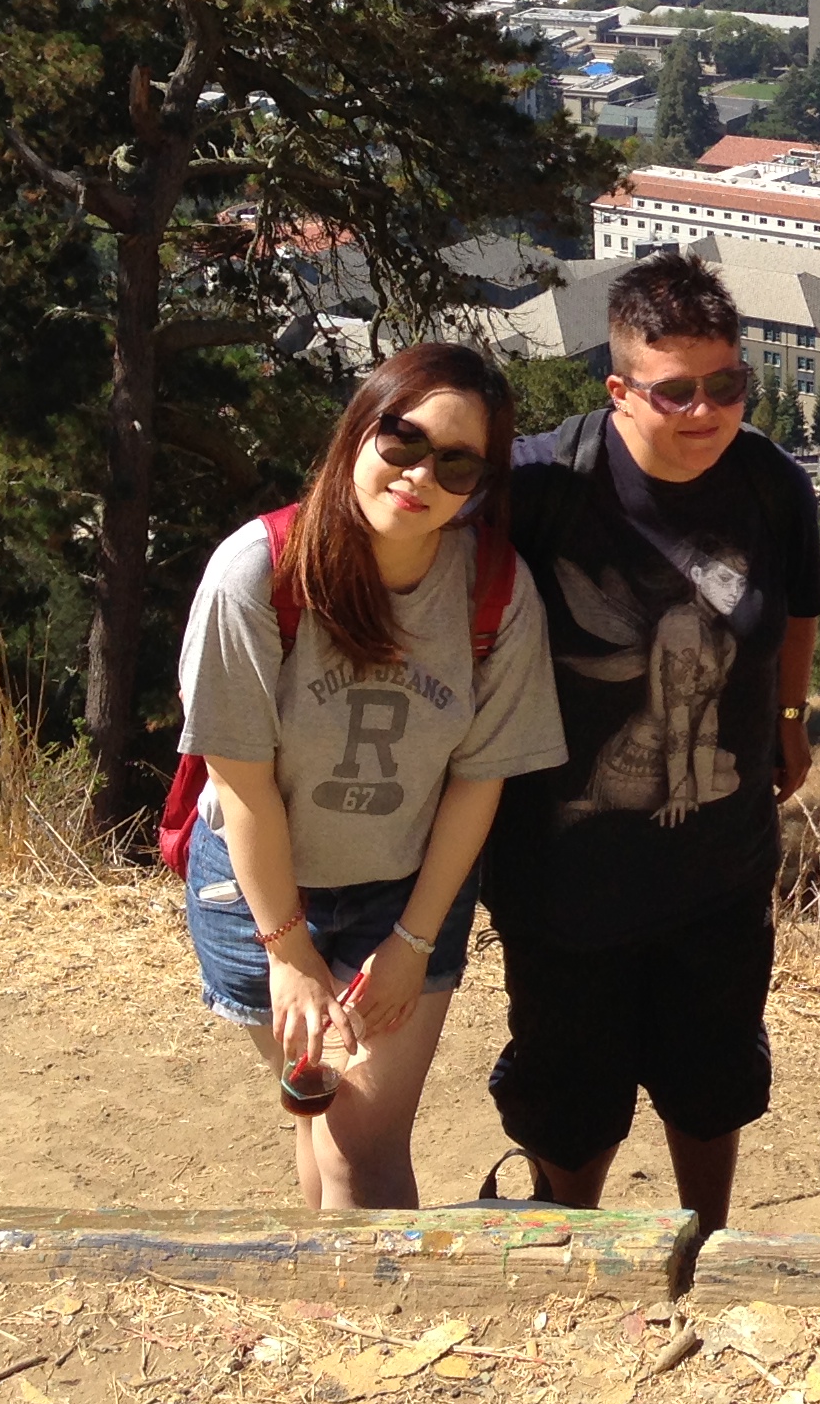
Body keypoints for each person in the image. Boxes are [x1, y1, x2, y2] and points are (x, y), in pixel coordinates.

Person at [478, 251, 820, 1229]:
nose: (706, 411)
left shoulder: (769, 487)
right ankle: (568, 1252)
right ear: (620, 390)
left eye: (727, 385)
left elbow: (798, 609)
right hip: (563, 876)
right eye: (675, 391)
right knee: (570, 1097)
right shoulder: (545, 485)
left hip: (720, 869)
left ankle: (706, 1250)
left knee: (713, 1081)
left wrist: (792, 719)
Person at [175, 342, 565, 1209]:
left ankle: (371, 1326)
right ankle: (331, 1316)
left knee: (360, 1138)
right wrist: (292, 955)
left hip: (406, 887)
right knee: (320, 1116)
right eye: (403, 441)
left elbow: (479, 780)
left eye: (458, 464)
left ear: (483, 486)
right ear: (360, 430)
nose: (421, 474)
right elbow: (241, 785)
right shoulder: (259, 572)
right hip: (261, 891)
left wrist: (414, 941)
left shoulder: (495, 592)